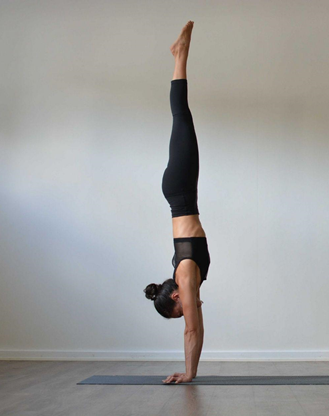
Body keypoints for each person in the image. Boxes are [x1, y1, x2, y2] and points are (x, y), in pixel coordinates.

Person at [143, 21, 209, 384]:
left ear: (174, 297)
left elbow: (192, 332)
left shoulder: (185, 274)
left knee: (181, 116)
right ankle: (180, 54)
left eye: (178, 312)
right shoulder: (189, 280)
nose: (185, 316)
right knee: (182, 118)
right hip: (180, 191)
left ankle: (180, 54)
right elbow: (194, 326)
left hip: (181, 189)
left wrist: (189, 374)